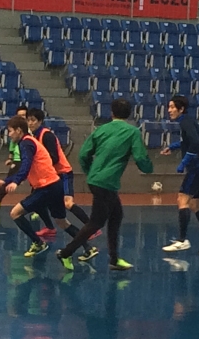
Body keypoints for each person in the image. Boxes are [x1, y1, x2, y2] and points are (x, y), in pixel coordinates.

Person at [56, 98, 153, 271]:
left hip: (99, 180)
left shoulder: (100, 130)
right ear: (129, 114)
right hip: (106, 183)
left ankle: (114, 259)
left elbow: (83, 155)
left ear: (111, 113)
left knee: (116, 216)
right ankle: (65, 253)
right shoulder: (132, 132)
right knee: (95, 222)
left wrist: (90, 172)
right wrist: (148, 168)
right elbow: (140, 158)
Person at [0, 116, 96, 258]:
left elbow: (26, 165)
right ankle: (88, 248)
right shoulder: (29, 142)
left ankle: (38, 243)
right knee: (62, 222)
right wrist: (7, 181)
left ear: (18, 130)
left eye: (10, 131)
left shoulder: (26, 143)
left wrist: (15, 182)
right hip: (55, 185)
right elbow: (25, 167)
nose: (9, 134)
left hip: (46, 187)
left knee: (15, 213)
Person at [27, 108, 100, 259]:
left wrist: (38, 167)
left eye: (33, 120)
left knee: (68, 203)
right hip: (51, 177)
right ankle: (51, 229)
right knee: (49, 210)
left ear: (40, 121)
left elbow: (53, 158)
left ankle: (92, 227)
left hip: (62, 174)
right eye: (28, 120)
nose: (30, 123)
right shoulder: (33, 136)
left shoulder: (46, 135)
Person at [160, 95, 199, 255]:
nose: (169, 110)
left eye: (173, 107)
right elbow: (189, 141)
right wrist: (173, 147)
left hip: (197, 168)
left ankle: (181, 240)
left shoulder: (185, 122)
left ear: (181, 109)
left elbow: (195, 143)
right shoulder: (188, 121)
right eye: (169, 107)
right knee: (195, 205)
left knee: (182, 199)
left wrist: (184, 162)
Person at [0, 105, 27, 210]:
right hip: (17, 160)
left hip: (29, 161)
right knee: (8, 181)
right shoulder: (15, 133)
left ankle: (38, 207)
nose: (22, 117)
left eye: (24, 115)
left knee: (36, 184)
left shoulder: (30, 132)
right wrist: (10, 158)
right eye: (20, 115)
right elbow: (12, 145)